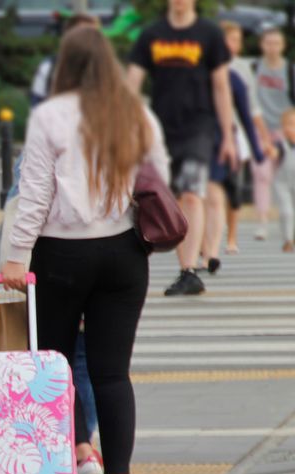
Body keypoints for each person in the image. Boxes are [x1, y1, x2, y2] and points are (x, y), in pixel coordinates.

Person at [1, 27, 170, 474]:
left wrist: (17, 255)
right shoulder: (134, 113)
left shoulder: (49, 116)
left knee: (55, 366)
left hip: (61, 255)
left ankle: (76, 457)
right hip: (123, 252)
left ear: (66, 65)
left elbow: (33, 196)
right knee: (113, 373)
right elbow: (157, 176)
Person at [127, 0, 235, 297]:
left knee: (191, 192)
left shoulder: (209, 34)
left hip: (199, 125)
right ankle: (182, 267)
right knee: (169, 196)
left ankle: (189, 271)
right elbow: (133, 80)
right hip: (161, 129)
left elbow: (221, 86)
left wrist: (227, 135)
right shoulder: (153, 34)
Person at [201, 24, 265, 270]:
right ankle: (203, 244)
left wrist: (257, 150)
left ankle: (212, 251)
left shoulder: (236, 76)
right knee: (198, 197)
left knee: (218, 194)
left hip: (226, 142)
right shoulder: (196, 72)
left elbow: (248, 115)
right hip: (196, 141)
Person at [222, 21, 269, 254]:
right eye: (232, 39)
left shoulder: (241, 67)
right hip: (209, 133)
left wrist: (264, 139)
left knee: (234, 187)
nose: (236, 45)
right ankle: (204, 241)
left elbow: (252, 108)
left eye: (239, 40)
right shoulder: (204, 64)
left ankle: (231, 237)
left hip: (235, 134)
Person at [250, 27, 294, 244]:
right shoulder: (254, 68)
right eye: (269, 43)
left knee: (288, 178)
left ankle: (288, 221)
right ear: (262, 45)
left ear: (283, 45)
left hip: (286, 130)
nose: (273, 47)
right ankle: (262, 221)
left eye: (277, 43)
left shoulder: (290, 70)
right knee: (262, 175)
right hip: (260, 129)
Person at [270, 108, 295, 249]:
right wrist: (271, 152)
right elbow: (275, 153)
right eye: (287, 125)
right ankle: (287, 239)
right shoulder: (282, 145)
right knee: (286, 211)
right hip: (282, 183)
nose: (290, 128)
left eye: (293, 124)